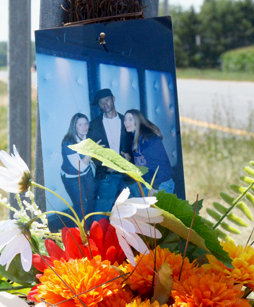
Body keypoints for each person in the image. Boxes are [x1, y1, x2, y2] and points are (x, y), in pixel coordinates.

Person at [86, 89, 133, 222]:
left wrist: (130, 158)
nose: (104, 104)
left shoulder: (126, 121)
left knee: (128, 213)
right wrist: (104, 164)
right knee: (101, 215)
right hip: (107, 177)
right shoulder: (94, 125)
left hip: (126, 176)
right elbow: (91, 151)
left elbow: (134, 146)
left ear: (113, 99)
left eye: (106, 100)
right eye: (101, 103)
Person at [123, 109, 175, 196]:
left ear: (138, 120)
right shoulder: (135, 137)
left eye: (130, 119)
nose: (126, 122)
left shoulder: (149, 138)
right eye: (125, 119)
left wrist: (155, 187)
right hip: (148, 183)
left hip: (161, 185)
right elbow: (143, 160)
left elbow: (160, 164)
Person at [60, 113, 95, 225]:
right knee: (81, 207)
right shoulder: (68, 142)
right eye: (80, 124)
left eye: (86, 123)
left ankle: (93, 226)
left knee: (92, 199)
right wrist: (90, 153)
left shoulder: (88, 136)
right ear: (74, 126)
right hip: (72, 178)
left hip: (87, 173)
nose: (84, 127)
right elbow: (80, 167)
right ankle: (81, 234)